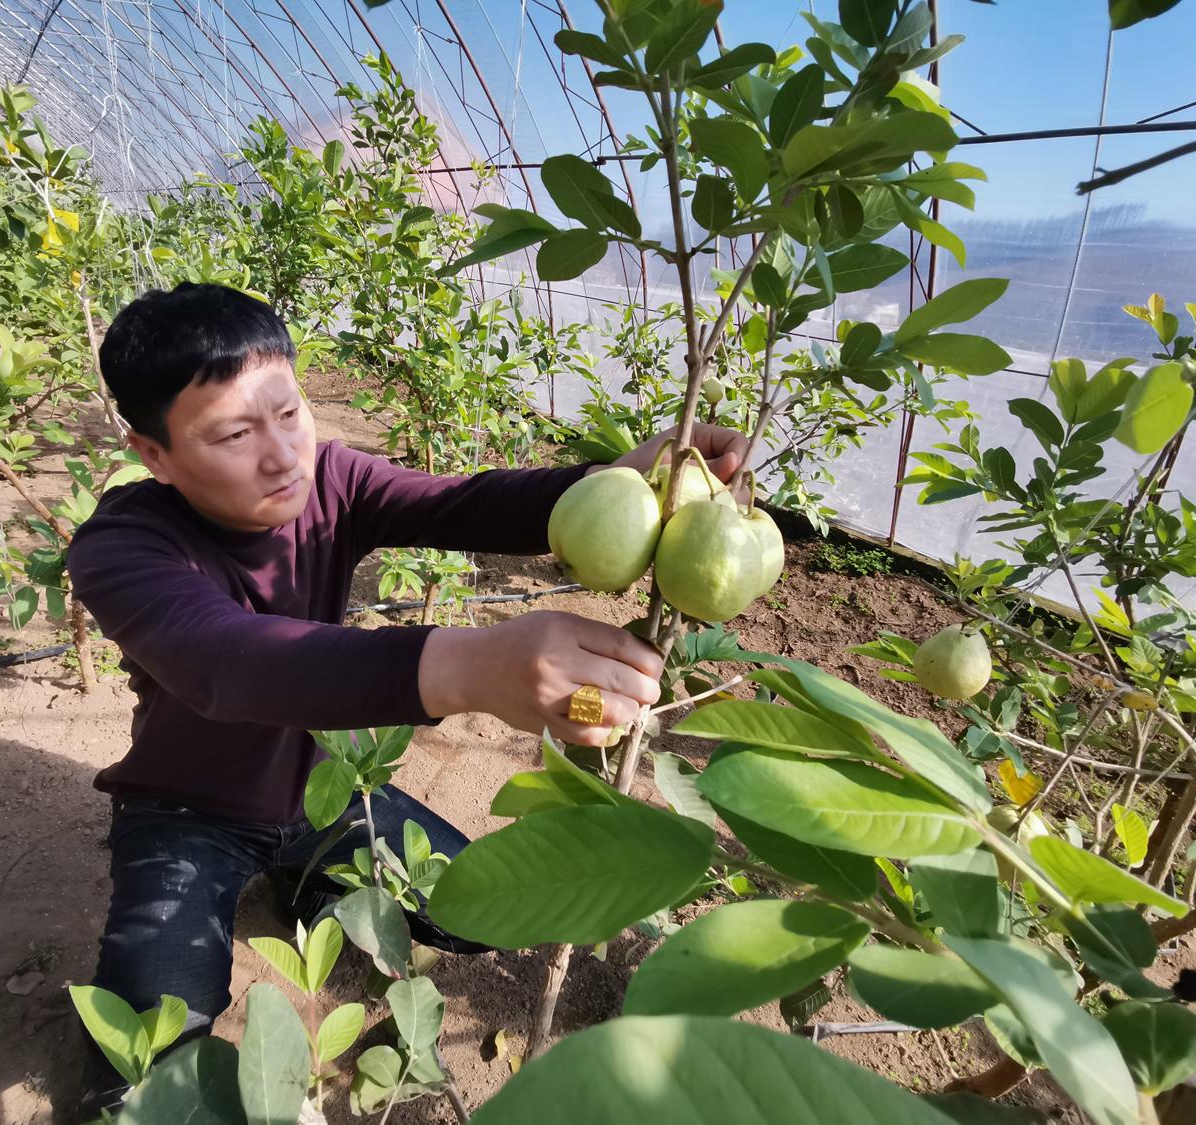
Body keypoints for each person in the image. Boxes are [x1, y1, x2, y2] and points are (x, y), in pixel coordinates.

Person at [65, 282, 747, 1113]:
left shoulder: (330, 481)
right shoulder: (122, 546)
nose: (282, 454)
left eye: (288, 412)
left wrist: (617, 481)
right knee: (145, 1080)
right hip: (185, 815)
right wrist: (470, 667)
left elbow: (463, 503)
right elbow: (228, 664)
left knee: (480, 911)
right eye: (235, 434)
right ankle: (300, 890)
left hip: (326, 789)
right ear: (155, 453)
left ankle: (311, 884)